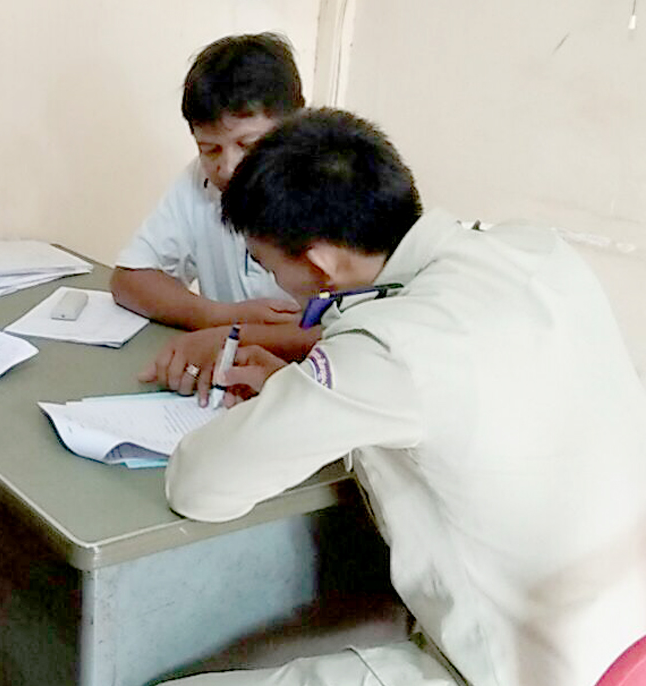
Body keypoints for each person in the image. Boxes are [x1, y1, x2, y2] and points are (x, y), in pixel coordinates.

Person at [161, 109, 646, 686]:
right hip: (625, 640)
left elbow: (200, 485)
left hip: (519, 668)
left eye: (268, 266)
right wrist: (303, 385)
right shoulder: (537, 251)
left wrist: (298, 393)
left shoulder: (390, 346)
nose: (274, 283)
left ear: (319, 265)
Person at [111, 33, 318, 402]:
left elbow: (354, 332)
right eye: (209, 149)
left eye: (248, 145)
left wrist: (231, 335)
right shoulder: (200, 180)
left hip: (316, 394)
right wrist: (217, 316)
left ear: (297, 123)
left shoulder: (335, 185)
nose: (229, 167)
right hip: (229, 388)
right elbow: (129, 278)